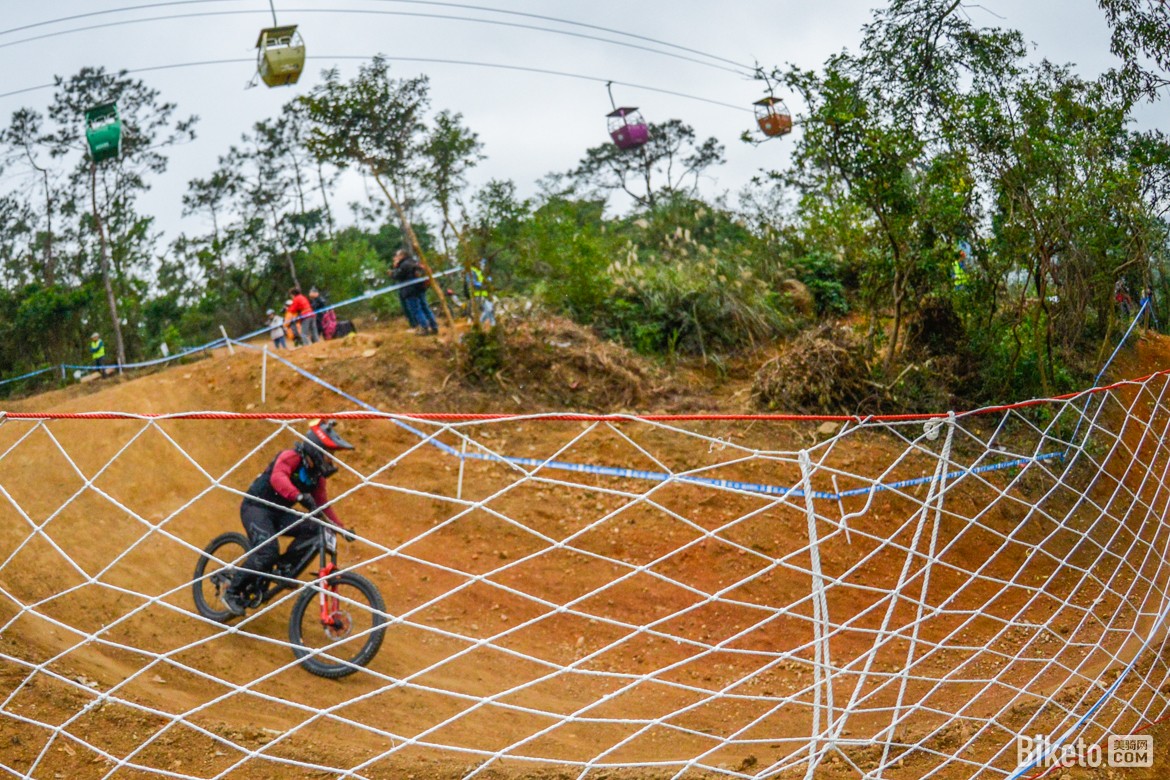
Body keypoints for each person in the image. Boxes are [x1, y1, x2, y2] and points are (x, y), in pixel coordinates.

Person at [223, 420, 356, 617]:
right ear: (316, 451)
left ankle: (284, 566)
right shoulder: (291, 457)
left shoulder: (316, 477)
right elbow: (278, 478)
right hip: (256, 507)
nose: (331, 461)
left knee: (314, 528)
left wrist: (340, 528)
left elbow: (323, 505)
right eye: (329, 456)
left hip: (279, 514)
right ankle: (231, 592)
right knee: (267, 551)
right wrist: (298, 496)